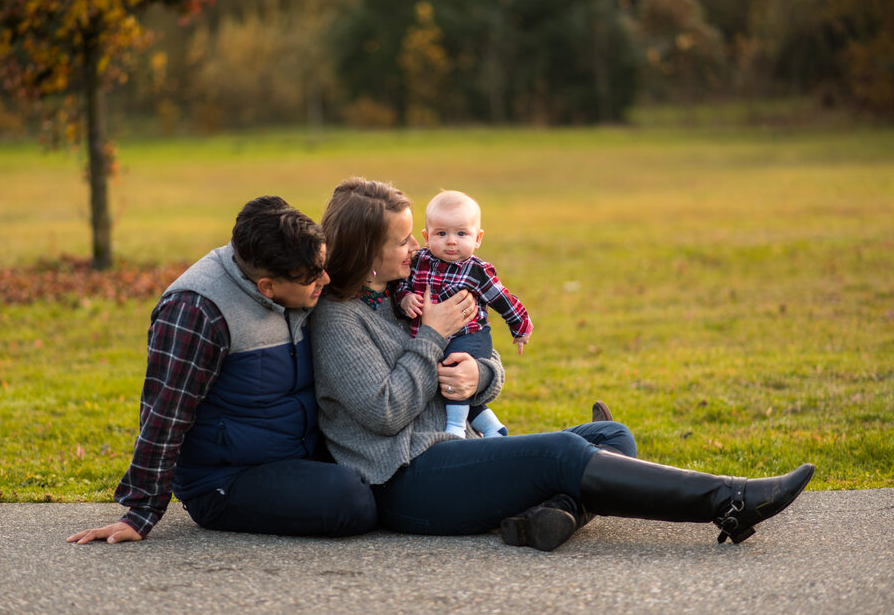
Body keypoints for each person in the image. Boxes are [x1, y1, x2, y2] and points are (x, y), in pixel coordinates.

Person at [309, 177, 814, 551]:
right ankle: (727, 501)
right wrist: (432, 336)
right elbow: (385, 412)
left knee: (612, 437)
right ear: (369, 255)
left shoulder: (405, 292)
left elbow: (482, 363)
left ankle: (554, 516)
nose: (417, 247)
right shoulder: (339, 318)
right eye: (403, 241)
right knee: (563, 454)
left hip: (449, 453)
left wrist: (479, 375)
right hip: (406, 479)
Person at [68, 196, 377, 545]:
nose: (325, 278)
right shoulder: (196, 310)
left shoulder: (291, 274)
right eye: (312, 276)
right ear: (267, 287)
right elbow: (165, 413)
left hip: (296, 453)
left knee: (388, 475)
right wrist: (142, 511)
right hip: (225, 479)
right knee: (351, 500)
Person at [394, 189, 531, 438]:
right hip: (433, 336)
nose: (451, 241)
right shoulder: (418, 262)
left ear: (477, 238)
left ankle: (456, 430)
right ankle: (493, 428)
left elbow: (503, 300)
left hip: (470, 336)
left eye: (461, 233)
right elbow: (403, 285)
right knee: (451, 382)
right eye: (441, 233)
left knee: (454, 372)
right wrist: (405, 299)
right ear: (426, 237)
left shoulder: (476, 271)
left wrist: (521, 328)